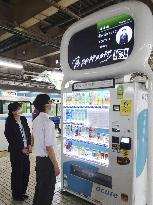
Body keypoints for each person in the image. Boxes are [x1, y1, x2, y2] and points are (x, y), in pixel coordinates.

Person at [32, 94, 60, 205]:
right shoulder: (48, 123)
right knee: (47, 191)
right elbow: (49, 147)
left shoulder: (36, 120)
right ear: (46, 105)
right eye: (50, 101)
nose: (52, 104)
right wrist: (56, 165)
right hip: (47, 161)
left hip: (39, 160)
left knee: (39, 188)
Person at [4, 102, 32, 201]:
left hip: (26, 150)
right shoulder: (9, 121)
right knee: (17, 173)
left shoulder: (23, 119)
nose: (21, 109)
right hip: (16, 152)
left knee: (26, 172)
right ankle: (16, 195)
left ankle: (22, 192)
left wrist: (29, 145)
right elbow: (10, 137)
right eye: (19, 108)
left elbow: (28, 132)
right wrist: (21, 149)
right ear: (13, 111)